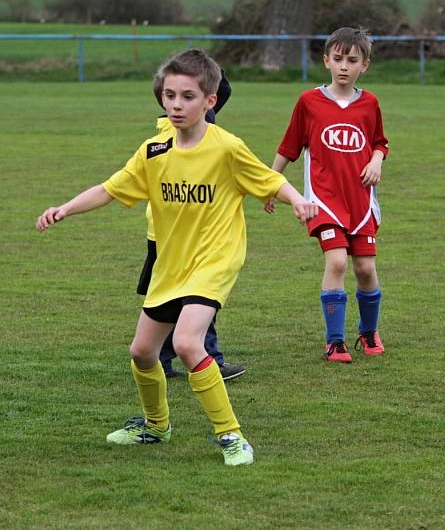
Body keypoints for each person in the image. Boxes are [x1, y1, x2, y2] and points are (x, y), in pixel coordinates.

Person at [36, 49, 317, 465]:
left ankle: (232, 436)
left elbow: (269, 179)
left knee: (187, 342)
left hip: (215, 259)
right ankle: (155, 426)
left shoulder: (226, 148)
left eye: (188, 96)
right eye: (170, 95)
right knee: (142, 351)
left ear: (210, 101)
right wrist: (65, 208)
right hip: (172, 263)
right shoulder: (154, 150)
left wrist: (297, 199)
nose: (176, 104)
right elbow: (112, 188)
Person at [265, 27, 388, 364]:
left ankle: (367, 332)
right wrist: (271, 184)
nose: (344, 66)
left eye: (352, 60)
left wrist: (376, 160)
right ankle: (335, 341)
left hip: (361, 203)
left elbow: (380, 142)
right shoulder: (310, 102)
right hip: (324, 201)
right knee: (336, 261)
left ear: (365, 65)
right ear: (326, 61)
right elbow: (289, 146)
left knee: (364, 268)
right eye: (338, 59)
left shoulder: (370, 104)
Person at [139, 71, 245, 381]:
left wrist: (199, 66)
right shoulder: (179, 131)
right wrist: (202, 67)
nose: (180, 104)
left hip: (182, 233)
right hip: (174, 234)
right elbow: (222, 89)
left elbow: (220, 89)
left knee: (184, 298)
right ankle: (204, 358)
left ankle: (166, 358)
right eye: (173, 96)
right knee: (188, 299)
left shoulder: (190, 120)